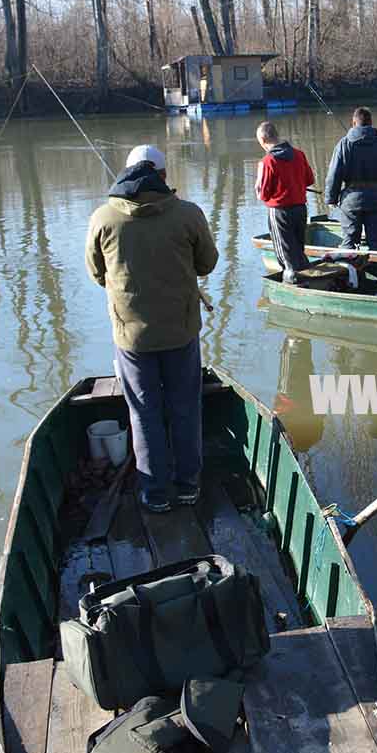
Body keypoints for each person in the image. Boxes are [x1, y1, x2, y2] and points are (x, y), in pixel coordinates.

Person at [85, 145, 219, 513]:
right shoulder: (188, 214)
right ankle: (188, 486)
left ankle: (155, 494)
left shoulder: (103, 218)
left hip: (132, 338)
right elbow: (207, 263)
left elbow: (97, 275)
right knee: (184, 408)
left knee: (143, 412)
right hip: (180, 331)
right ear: (163, 176)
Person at [327, 106, 377, 249]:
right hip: (376, 197)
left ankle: (350, 269)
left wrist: (331, 198)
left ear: (354, 123)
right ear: (371, 123)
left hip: (351, 200)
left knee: (350, 241)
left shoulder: (344, 144)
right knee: (376, 242)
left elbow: (333, 175)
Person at [255, 120, 316, 280]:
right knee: (298, 249)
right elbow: (309, 180)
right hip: (300, 209)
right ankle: (306, 277)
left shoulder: (267, 162)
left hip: (280, 212)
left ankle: (293, 282)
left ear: (262, 140)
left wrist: (258, 187)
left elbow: (263, 195)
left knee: (285, 254)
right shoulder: (299, 154)